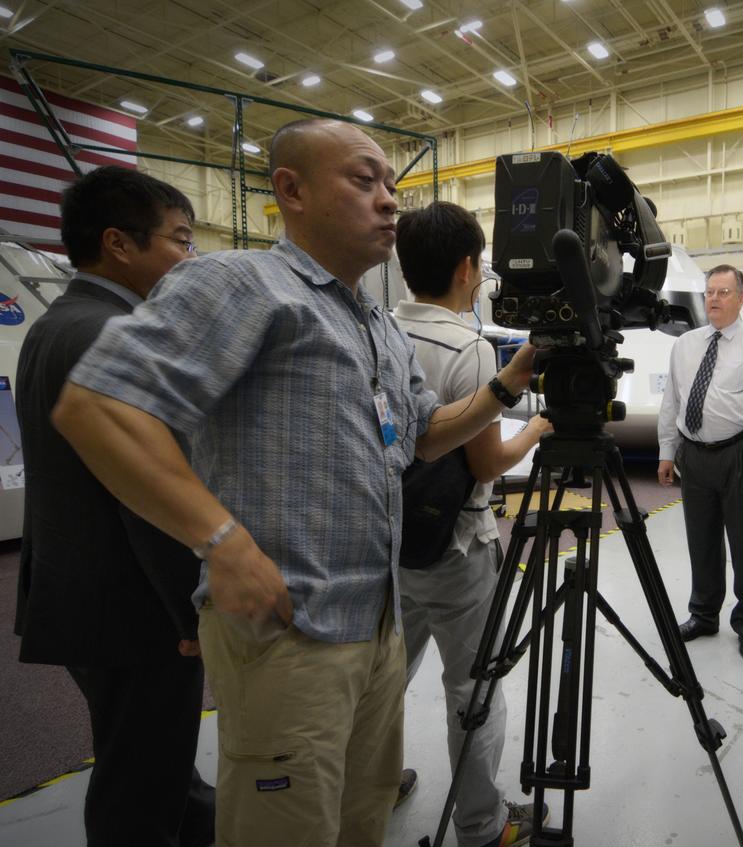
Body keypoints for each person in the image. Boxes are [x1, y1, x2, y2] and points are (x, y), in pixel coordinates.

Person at [50, 119, 536, 847]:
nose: (388, 202)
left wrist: (508, 382)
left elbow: (424, 435)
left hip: (377, 627)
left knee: (360, 815)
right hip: (293, 633)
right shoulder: (240, 283)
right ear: (291, 190)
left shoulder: (374, 320)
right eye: (364, 180)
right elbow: (99, 406)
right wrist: (221, 542)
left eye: (392, 186)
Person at [14, 165, 215, 846]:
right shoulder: (116, 336)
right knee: (138, 785)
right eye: (180, 241)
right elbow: (149, 495)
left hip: (88, 592)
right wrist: (190, 604)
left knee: (152, 757)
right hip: (136, 605)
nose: (189, 259)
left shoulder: (59, 324)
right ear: (119, 243)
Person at [391, 202, 551, 847]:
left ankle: (371, 782)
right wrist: (536, 429)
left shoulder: (378, 330)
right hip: (456, 548)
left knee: (381, 679)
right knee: (473, 689)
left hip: (390, 539)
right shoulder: (470, 347)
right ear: (466, 267)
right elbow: (487, 460)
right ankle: (483, 826)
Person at [656, 264, 743, 663]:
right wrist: (667, 451)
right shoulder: (685, 345)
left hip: (741, 454)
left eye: (723, 292)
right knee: (702, 541)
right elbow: (672, 403)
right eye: (710, 292)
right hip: (695, 455)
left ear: (741, 298)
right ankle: (703, 614)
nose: (714, 299)